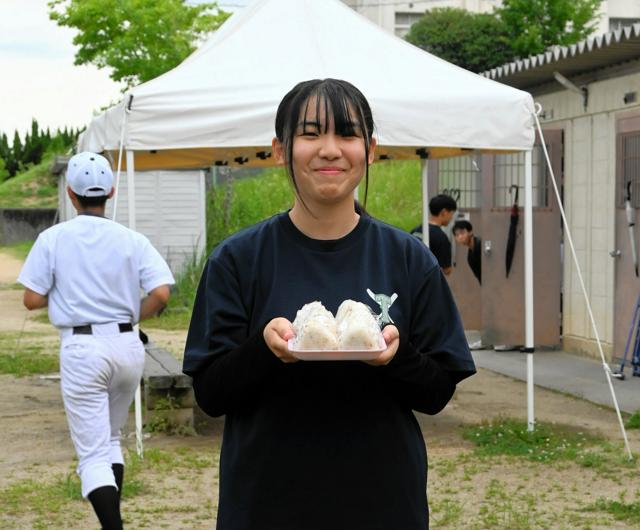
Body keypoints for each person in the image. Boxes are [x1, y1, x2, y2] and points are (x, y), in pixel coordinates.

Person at [183, 79, 476, 530]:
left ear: (370, 148)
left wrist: (397, 358)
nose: (330, 149)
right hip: (266, 505)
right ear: (281, 149)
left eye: (347, 133)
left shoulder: (408, 258)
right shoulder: (238, 260)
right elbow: (211, 394)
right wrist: (265, 351)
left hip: (384, 504)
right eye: (311, 133)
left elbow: (437, 393)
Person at [18, 152, 175, 530]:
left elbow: (31, 298)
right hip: (127, 344)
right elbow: (162, 293)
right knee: (110, 439)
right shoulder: (131, 239)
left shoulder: (53, 238)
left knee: (91, 455)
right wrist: (133, 314)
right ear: (110, 192)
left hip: (83, 347)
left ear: (70, 194)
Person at [410, 194, 457, 275]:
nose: (451, 218)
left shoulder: (415, 230)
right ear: (444, 212)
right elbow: (447, 270)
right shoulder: (441, 238)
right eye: (451, 214)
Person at [452, 219, 482, 284]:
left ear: (470, 232)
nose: (460, 237)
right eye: (457, 235)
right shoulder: (470, 257)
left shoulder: (481, 245)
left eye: (462, 233)